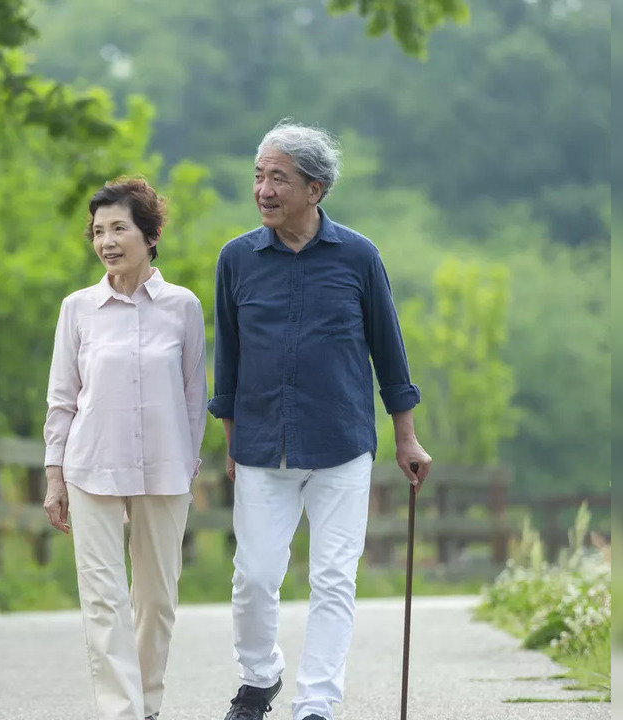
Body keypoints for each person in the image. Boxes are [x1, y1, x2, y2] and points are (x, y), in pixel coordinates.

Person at [208, 119, 432, 720]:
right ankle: (261, 677)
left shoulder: (358, 256)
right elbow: (226, 360)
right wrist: (230, 441)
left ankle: (317, 703)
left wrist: (406, 437)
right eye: (258, 176)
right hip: (260, 446)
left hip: (342, 444)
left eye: (278, 177)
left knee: (333, 578)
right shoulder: (236, 259)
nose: (263, 189)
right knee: (254, 578)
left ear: (317, 188)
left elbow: (389, 351)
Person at [42, 177, 208, 720]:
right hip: (90, 465)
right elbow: (62, 397)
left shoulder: (183, 307)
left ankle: (148, 704)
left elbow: (192, 395)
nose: (107, 241)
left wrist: (189, 464)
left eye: (119, 228)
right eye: (98, 231)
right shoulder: (78, 309)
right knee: (103, 598)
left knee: (156, 600)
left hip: (165, 468)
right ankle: (122, 711)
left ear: (150, 233)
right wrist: (54, 474)